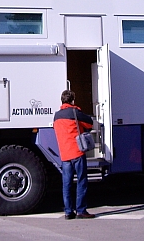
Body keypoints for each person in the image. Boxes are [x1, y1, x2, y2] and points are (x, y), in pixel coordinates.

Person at [53, 89, 95, 219]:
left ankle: (68, 212)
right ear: (72, 100)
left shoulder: (56, 115)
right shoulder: (75, 112)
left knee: (67, 183)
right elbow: (89, 123)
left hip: (64, 154)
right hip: (77, 152)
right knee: (81, 181)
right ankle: (81, 210)